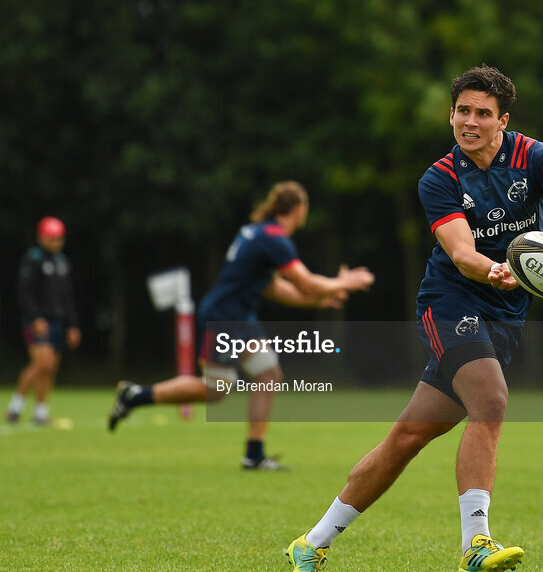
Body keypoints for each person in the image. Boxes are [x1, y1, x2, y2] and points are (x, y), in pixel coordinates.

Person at [285, 66, 543, 572]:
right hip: (450, 303)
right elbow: (461, 253)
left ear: (504, 120)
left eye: (482, 113)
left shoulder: (538, 157)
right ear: (451, 114)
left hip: (505, 316)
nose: (470, 121)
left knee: (406, 438)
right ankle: (475, 544)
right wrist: (495, 269)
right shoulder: (441, 177)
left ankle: (310, 543)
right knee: (492, 400)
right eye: (462, 111)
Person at [107, 181, 375, 470]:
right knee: (216, 389)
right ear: (298, 209)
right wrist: (343, 282)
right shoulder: (274, 238)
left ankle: (254, 454)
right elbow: (305, 281)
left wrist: (318, 300)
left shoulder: (259, 233)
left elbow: (274, 287)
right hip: (222, 317)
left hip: (238, 316)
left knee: (268, 373)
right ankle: (136, 395)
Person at [6, 217, 81, 425]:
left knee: (50, 368)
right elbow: (25, 292)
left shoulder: (63, 263)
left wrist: (73, 325)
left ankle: (40, 412)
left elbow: (68, 297)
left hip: (58, 322)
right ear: (42, 238)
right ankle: (15, 407)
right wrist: (35, 317)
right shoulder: (33, 259)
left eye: (59, 239)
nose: (56, 243)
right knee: (41, 363)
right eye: (52, 238)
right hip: (38, 321)